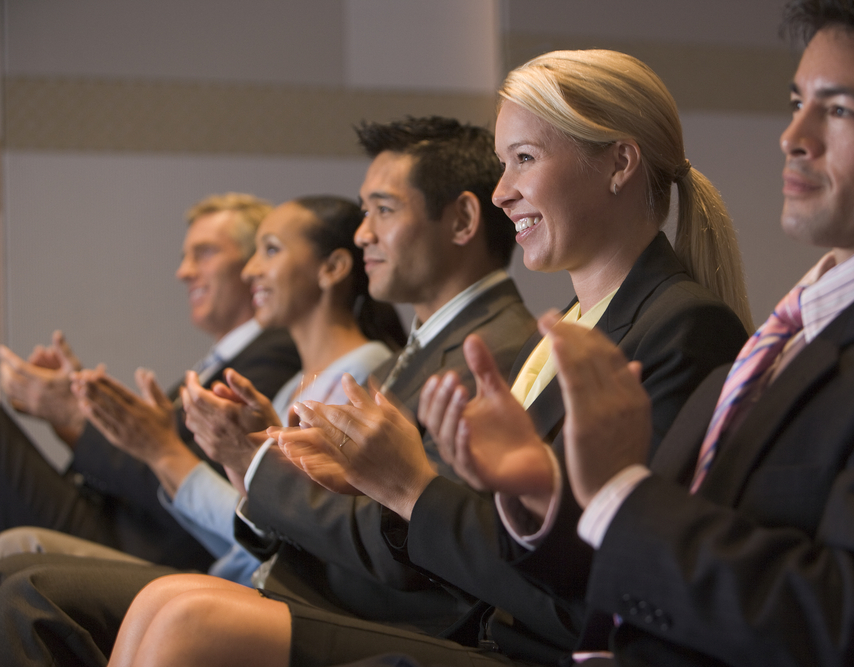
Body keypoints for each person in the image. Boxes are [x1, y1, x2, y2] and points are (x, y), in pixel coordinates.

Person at [316, 1, 854, 665]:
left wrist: (614, 491)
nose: (793, 137)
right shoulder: (796, 332)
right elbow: (662, 556)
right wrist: (545, 497)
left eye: (841, 110)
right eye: (798, 104)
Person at [105, 50, 752, 667]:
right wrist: (355, 471)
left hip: (524, 643)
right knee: (165, 604)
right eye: (502, 164)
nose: (503, 192)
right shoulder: (572, 328)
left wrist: (411, 486)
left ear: (619, 164)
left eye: (523, 159)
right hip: (482, 625)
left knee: (183, 617)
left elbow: (601, 572)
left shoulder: (682, 326)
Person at [0, 117, 537, 667]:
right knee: (56, 587)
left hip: (390, 616)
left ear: (464, 220)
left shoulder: (486, 351)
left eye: (383, 209)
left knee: (41, 592)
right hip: (321, 582)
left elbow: (409, 542)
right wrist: (263, 458)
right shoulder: (430, 345)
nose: (362, 232)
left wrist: (256, 461)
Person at [23, 195, 403, 585]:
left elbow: (293, 540)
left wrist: (163, 451)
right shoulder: (294, 383)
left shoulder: (362, 373)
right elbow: (247, 535)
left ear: (333, 268)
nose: (252, 270)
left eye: (269, 250)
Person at [0, 193, 301, 570]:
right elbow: (144, 452)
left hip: (141, 543)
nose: (184, 272)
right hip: (110, 517)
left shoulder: (275, 352)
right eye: (184, 258)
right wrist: (77, 411)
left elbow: (188, 483)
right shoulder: (221, 361)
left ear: (254, 263)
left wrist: (77, 413)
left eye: (204, 253)